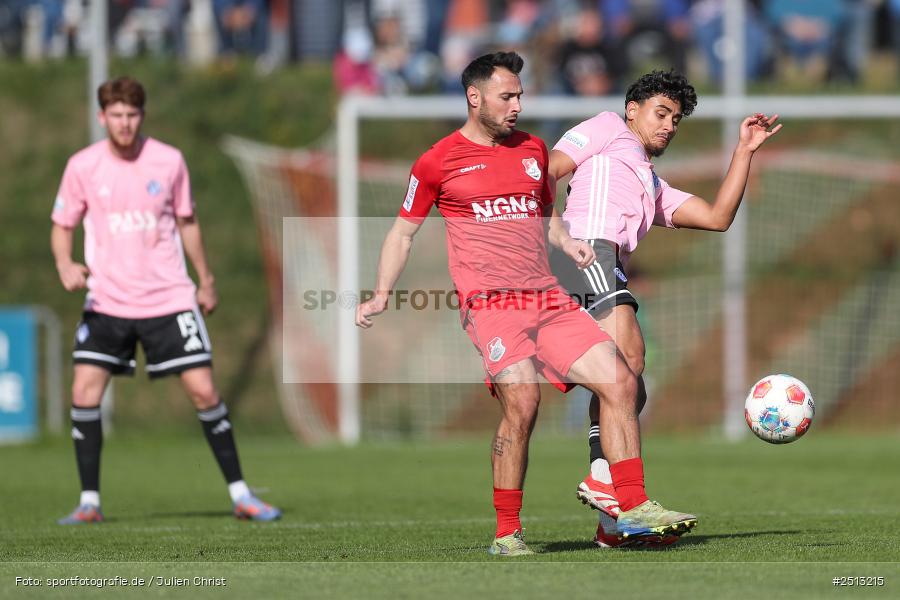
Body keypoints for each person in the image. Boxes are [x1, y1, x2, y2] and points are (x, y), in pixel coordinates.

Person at [355, 52, 697, 556]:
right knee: (524, 404)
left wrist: (569, 243)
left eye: (520, 95)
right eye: (507, 96)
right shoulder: (437, 161)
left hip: (547, 297)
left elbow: (545, 212)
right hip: (490, 305)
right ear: (475, 97)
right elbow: (402, 234)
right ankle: (507, 532)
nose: (517, 105)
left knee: (621, 379)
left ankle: (634, 505)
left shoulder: (533, 150)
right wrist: (382, 292)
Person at [548, 69, 781, 546]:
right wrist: (559, 235)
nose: (669, 126)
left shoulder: (650, 183)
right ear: (632, 109)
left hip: (603, 263)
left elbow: (717, 218)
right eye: (662, 113)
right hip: (585, 252)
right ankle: (622, 495)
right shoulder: (608, 126)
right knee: (629, 355)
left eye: (676, 119)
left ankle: (612, 517)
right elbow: (543, 171)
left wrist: (744, 152)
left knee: (630, 384)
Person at [51, 77, 280, 524]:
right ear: (102, 117)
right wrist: (64, 262)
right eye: (115, 115)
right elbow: (63, 223)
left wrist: (206, 280)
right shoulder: (82, 166)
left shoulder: (168, 161)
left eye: (132, 115)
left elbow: (187, 222)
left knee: (204, 390)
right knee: (83, 391)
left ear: (143, 116)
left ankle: (241, 495)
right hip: (107, 301)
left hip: (169, 300)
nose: (124, 123)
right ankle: (89, 503)